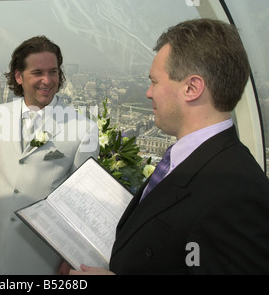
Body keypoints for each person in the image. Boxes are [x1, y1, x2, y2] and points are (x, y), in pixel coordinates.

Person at [70, 18, 269, 275]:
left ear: (192, 88)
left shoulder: (237, 193)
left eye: (155, 81)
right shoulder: (192, 161)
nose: (148, 93)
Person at [0, 36, 100, 275]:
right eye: (38, 72)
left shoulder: (84, 128)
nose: (47, 81)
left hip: (47, 253)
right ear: (18, 76)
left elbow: (85, 200)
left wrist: (72, 257)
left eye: (53, 72)